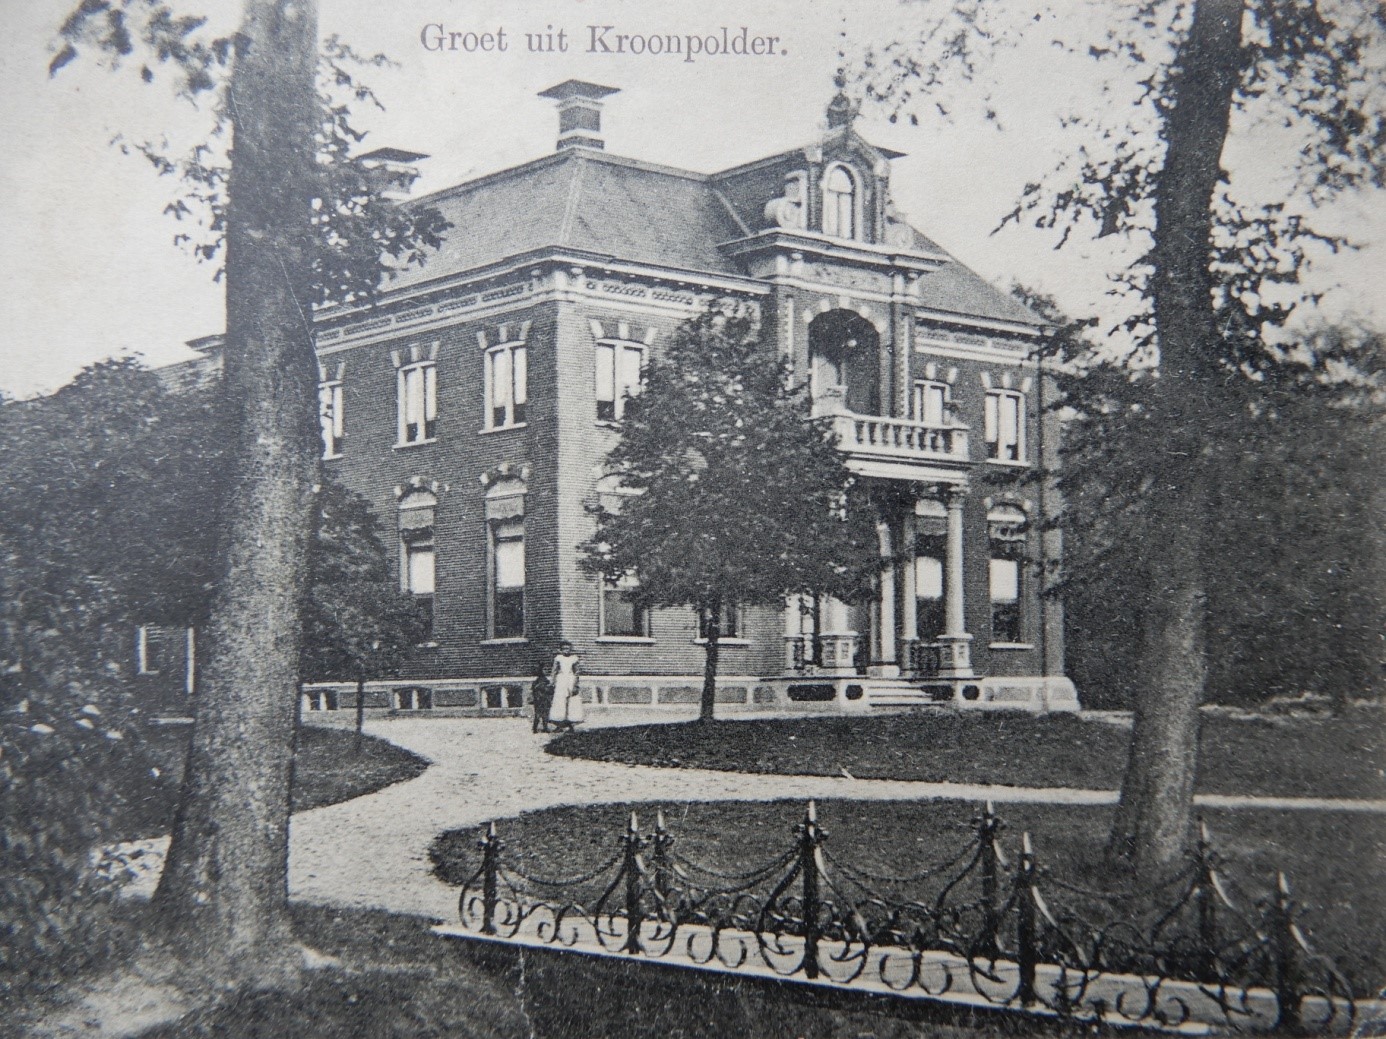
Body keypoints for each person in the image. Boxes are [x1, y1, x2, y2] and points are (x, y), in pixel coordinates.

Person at [548, 641, 583, 732]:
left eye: (568, 648)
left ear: (571, 649)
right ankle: (559, 724)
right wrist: (552, 682)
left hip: (570, 680)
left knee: (571, 701)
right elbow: (554, 671)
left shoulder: (574, 658)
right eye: (564, 649)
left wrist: (575, 684)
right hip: (561, 681)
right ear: (561, 650)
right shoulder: (558, 658)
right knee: (560, 701)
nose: (566, 651)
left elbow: (577, 672)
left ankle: (571, 724)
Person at [530, 666, 553, 733]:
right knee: (539, 714)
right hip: (539, 700)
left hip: (543, 699)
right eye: (544, 669)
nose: (546, 671)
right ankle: (536, 728)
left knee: (544, 714)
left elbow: (550, 691)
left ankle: (543, 728)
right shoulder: (539, 681)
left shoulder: (545, 681)